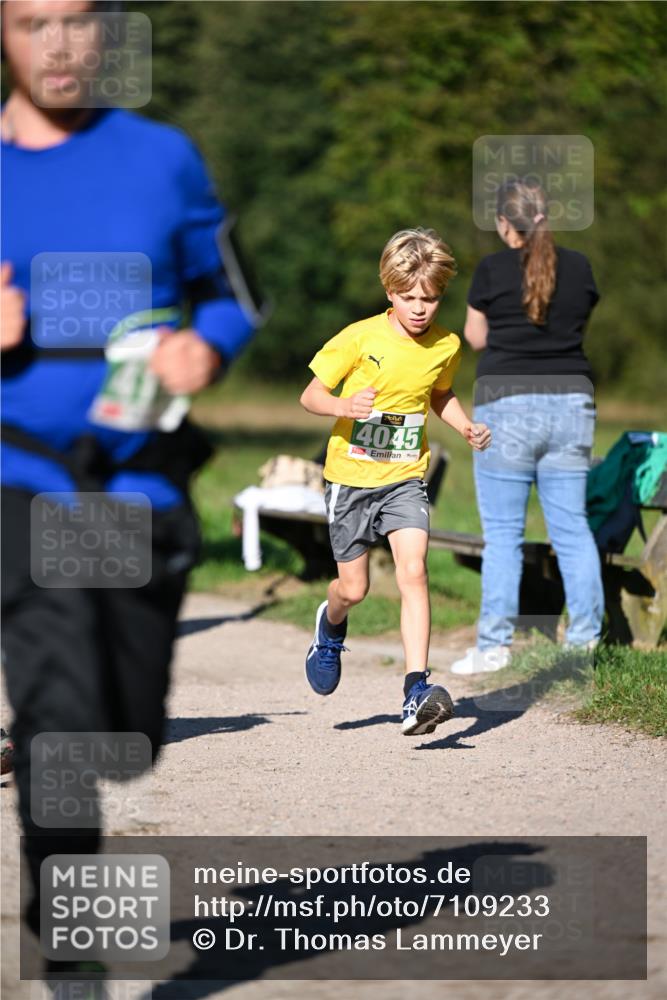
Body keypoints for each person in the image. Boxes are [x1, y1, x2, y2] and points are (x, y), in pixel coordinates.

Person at [1, 0, 258, 984]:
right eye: (32, 22)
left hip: (139, 487)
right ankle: (75, 962)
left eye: (75, 20)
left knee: (125, 734)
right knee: (58, 714)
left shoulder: (162, 157)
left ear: (105, 33)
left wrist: (211, 344)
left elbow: (236, 284)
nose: (57, 44)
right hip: (19, 478)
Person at [299, 228, 491, 735]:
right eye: (409, 298)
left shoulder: (446, 345)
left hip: (405, 476)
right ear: (389, 292)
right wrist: (343, 405)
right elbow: (310, 395)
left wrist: (465, 424)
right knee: (354, 588)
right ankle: (330, 627)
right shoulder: (359, 338)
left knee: (414, 571)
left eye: (429, 298)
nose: (420, 308)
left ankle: (415, 691)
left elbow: (440, 395)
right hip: (350, 479)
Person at [450, 179, 604, 675]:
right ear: (546, 216)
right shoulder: (578, 267)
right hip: (572, 404)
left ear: (502, 223)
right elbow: (574, 324)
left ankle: (493, 646)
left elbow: (475, 337)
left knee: (502, 535)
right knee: (573, 529)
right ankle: (583, 645)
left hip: (506, 403)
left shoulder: (491, 269)